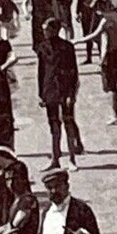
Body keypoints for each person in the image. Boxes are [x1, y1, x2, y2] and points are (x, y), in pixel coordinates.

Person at [37, 18, 84, 168]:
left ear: (55, 30)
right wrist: (41, 94)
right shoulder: (42, 47)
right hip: (49, 89)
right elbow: (41, 72)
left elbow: (74, 72)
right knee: (54, 125)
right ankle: (55, 159)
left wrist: (72, 94)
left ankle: (71, 159)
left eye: (47, 29)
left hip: (65, 90)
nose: (44, 32)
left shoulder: (67, 47)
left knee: (68, 122)